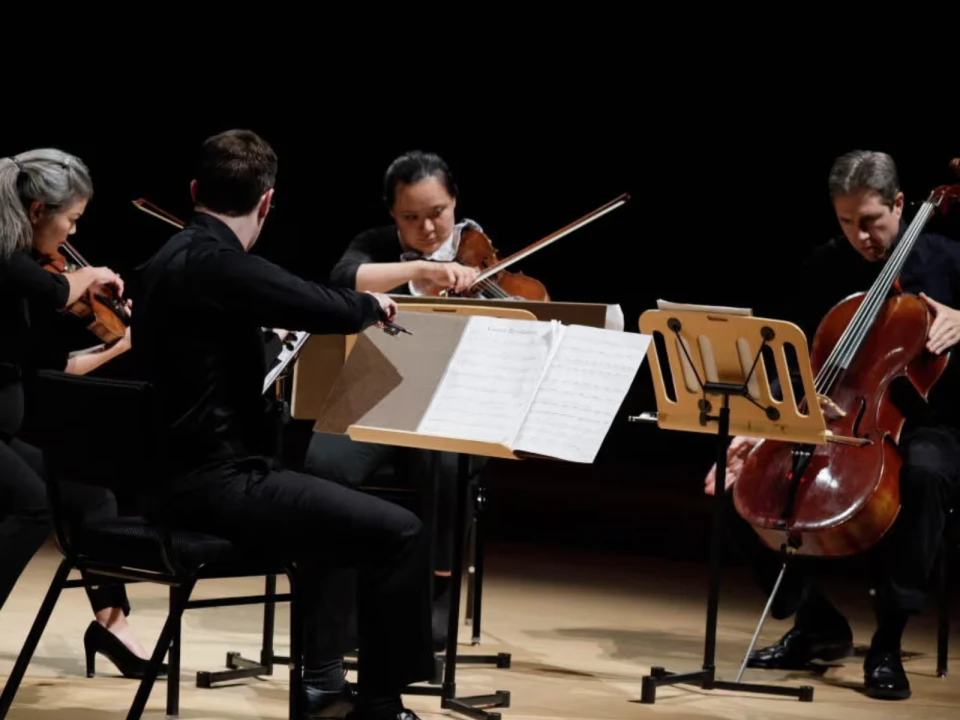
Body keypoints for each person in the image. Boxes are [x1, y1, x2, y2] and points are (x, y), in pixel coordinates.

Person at [131, 129, 433, 720]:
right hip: (217, 486)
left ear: (196, 190)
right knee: (401, 531)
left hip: (170, 479)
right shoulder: (216, 262)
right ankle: (379, 706)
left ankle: (323, 683)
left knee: (333, 513)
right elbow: (310, 300)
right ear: (267, 202)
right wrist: (371, 306)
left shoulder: (168, 258)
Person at [705, 149, 960, 700]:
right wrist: (758, 428)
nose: (859, 237)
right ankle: (817, 625)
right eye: (846, 222)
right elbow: (795, 366)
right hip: (838, 416)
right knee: (735, 485)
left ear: (899, 203)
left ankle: (888, 640)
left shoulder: (949, 260)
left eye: (870, 221)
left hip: (929, 423)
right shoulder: (824, 266)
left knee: (925, 476)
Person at [308, 150, 487, 650]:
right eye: (411, 217)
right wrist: (423, 275)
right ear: (393, 214)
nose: (428, 228)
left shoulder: (478, 252)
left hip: (451, 402)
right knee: (324, 463)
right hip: (375, 392)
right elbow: (342, 279)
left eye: (438, 213)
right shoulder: (376, 246)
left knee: (447, 466)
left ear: (455, 202)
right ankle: (335, 605)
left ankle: (434, 599)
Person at [0, 149, 163, 680]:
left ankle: (112, 621)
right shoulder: (12, 266)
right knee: (29, 505)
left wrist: (121, 344)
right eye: (70, 220)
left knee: (88, 489)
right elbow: (52, 287)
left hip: (11, 422)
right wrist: (90, 274)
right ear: (39, 208)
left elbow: (53, 364)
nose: (71, 235)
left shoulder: (27, 271)